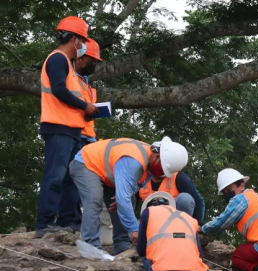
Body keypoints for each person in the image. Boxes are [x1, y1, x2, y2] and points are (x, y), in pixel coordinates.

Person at [36, 16, 100, 238]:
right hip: (58, 128)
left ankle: (66, 222)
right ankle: (44, 223)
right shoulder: (57, 59)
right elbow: (59, 90)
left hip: (71, 130)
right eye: (82, 41)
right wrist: (85, 105)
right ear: (73, 39)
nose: (83, 46)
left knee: (68, 179)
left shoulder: (69, 67)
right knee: (55, 176)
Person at [69, 137, 188, 255]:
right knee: (94, 200)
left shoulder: (151, 161)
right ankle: (91, 247)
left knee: (127, 201)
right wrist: (135, 229)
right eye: (163, 170)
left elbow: (133, 188)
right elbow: (123, 198)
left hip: (107, 172)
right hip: (86, 163)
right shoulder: (133, 161)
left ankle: (122, 245)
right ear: (157, 158)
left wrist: (123, 198)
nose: (162, 174)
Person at [137, 192, 227, 271]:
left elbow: (141, 250)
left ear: (149, 206)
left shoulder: (148, 213)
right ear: (170, 205)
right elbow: (200, 255)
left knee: (146, 256)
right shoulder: (190, 219)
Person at [72, 38, 103, 229]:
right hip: (76, 134)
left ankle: (79, 221)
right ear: (80, 58)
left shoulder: (87, 85)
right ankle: (72, 219)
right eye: (91, 60)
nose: (93, 65)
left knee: (84, 182)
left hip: (88, 137)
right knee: (73, 179)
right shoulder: (71, 80)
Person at [137, 171, 206, 225]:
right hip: (150, 221)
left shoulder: (179, 177)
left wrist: (197, 225)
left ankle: (182, 233)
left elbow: (199, 201)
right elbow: (129, 204)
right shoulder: (140, 179)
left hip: (174, 221)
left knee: (185, 199)